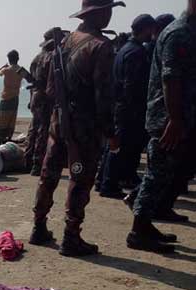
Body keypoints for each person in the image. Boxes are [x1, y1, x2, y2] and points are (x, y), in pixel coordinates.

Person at [30, 0, 124, 257]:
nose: (109, 15)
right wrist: (110, 132)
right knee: (80, 178)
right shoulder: (100, 46)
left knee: (49, 174)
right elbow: (104, 96)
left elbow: (50, 89)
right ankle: (71, 237)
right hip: (84, 126)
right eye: (108, 10)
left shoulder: (63, 42)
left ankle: (39, 227)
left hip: (58, 120)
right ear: (99, 13)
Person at [127, 0, 196, 253]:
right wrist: (174, 119)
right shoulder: (179, 33)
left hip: (182, 118)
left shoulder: (189, 32)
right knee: (157, 174)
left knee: (169, 173)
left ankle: (145, 225)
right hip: (168, 120)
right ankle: (138, 231)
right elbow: (170, 78)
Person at [98, 14, 157, 199]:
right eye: (151, 30)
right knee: (120, 147)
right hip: (129, 108)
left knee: (115, 145)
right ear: (145, 29)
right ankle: (108, 185)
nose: (152, 34)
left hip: (121, 105)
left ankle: (103, 181)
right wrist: (137, 109)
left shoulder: (125, 49)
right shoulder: (136, 52)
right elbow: (132, 85)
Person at [26, 29, 58, 175]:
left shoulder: (36, 58)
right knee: (43, 130)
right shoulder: (52, 57)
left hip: (35, 96)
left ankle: (28, 159)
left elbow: (32, 80)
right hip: (45, 96)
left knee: (33, 128)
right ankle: (37, 164)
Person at [0, 50, 33, 142]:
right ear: (18, 58)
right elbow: (30, 79)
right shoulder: (20, 70)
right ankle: (8, 136)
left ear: (9, 59)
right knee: (12, 117)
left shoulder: (6, 70)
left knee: (2, 117)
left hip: (5, 96)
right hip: (15, 97)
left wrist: (3, 66)